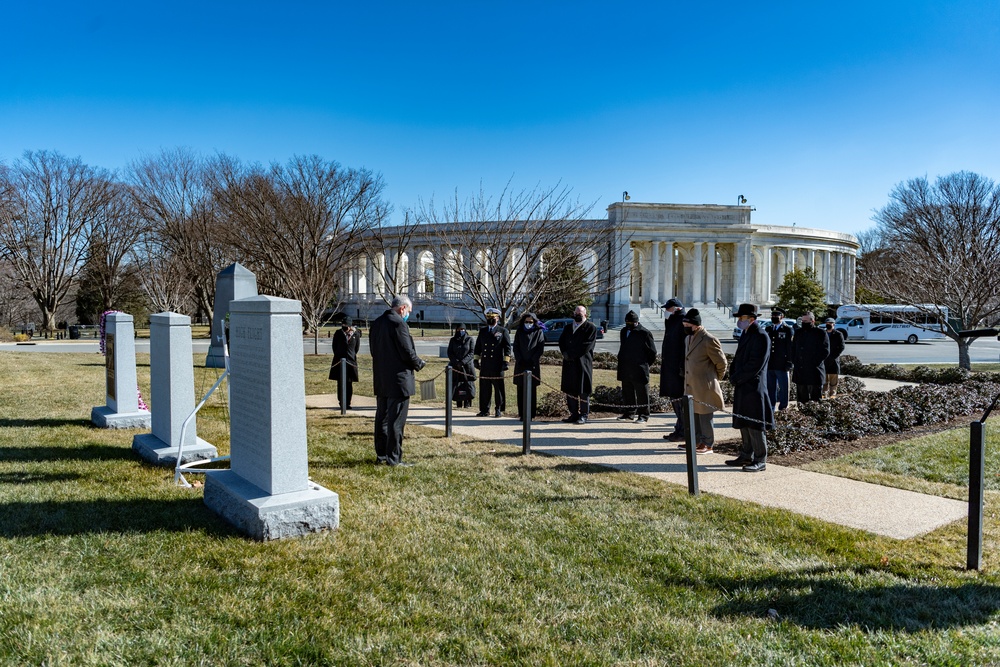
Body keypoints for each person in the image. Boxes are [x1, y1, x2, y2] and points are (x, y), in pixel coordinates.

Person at [369, 296, 426, 466]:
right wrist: (418, 363)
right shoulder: (399, 324)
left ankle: (382, 455)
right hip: (399, 380)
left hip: (381, 378)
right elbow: (406, 351)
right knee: (396, 422)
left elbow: (374, 351)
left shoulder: (377, 323)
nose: (408, 314)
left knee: (382, 419)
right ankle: (394, 458)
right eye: (408, 311)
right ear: (402, 309)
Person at [726, 304, 774, 472]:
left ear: (752, 319)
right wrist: (733, 374)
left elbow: (756, 364)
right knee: (743, 422)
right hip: (742, 384)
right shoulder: (746, 334)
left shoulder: (761, 336)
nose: (739, 321)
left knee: (754, 424)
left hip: (753, 387)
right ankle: (746, 454)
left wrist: (738, 377)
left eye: (742, 318)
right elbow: (739, 358)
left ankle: (760, 459)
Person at [681, 308, 727, 453]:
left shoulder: (709, 339)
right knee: (693, 414)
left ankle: (707, 443)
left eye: (687, 325)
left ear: (696, 325)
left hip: (705, 385)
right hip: (691, 384)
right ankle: (694, 441)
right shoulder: (687, 338)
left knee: (705, 415)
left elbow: (721, 363)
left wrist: (714, 378)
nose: (685, 328)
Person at [559, 304, 598, 424]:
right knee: (570, 389)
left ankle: (584, 415)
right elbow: (562, 341)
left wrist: (571, 354)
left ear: (585, 314)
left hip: (583, 364)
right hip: (569, 364)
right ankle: (573, 413)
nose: (577, 316)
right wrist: (564, 353)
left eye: (579, 314)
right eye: (575, 314)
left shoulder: (590, 328)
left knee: (583, 390)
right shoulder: (568, 328)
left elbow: (586, 346)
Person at [616, 310, 657, 423]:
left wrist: (645, 364)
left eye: (631, 323)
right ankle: (629, 413)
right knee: (627, 392)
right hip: (626, 367)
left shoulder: (645, 333)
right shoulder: (624, 331)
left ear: (636, 322)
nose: (628, 325)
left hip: (639, 368)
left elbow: (652, 352)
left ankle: (643, 415)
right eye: (627, 322)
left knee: (642, 393)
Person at [474, 307, 511, 417]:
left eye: (493, 318)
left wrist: (506, 362)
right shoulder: (483, 331)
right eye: (488, 317)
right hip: (485, 364)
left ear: (498, 318)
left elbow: (507, 348)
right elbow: (478, 347)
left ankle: (499, 408)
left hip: (497, 364)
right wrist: (476, 360)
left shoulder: (502, 331)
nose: (491, 319)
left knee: (498, 388)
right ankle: (484, 409)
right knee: (485, 388)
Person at [659, 298, 687, 441]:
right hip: (670, 367)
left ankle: (683, 431)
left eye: (668, 309)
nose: (666, 311)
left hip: (678, 369)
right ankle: (679, 428)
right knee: (675, 400)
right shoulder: (672, 321)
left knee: (679, 400)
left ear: (676, 308)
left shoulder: (683, 321)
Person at [791, 311, 830, 404]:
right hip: (800, 371)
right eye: (802, 321)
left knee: (815, 399)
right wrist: (795, 361)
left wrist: (814, 362)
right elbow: (793, 349)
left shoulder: (820, 333)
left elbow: (825, 351)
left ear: (812, 321)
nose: (804, 323)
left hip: (814, 370)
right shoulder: (798, 332)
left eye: (806, 321)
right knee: (801, 399)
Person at [512, 312, 545, 420]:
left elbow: (540, 347)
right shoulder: (519, 331)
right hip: (520, 365)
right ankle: (522, 413)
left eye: (530, 322)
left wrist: (532, 360)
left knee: (532, 391)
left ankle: (531, 414)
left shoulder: (538, 331)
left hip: (533, 365)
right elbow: (515, 346)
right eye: (526, 322)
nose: (528, 324)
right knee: (520, 390)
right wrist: (520, 359)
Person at [329, 316, 361, 410]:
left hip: (350, 362)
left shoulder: (356, 334)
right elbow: (334, 346)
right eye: (343, 325)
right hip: (339, 360)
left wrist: (351, 355)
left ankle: (348, 402)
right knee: (340, 383)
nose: (345, 328)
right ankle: (341, 402)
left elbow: (356, 348)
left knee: (349, 383)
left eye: (346, 326)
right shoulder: (338, 333)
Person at [765, 308, 795, 411]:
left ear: (782, 317)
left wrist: (790, 362)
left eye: (776, 316)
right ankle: (771, 406)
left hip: (782, 364)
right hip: (770, 364)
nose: (774, 317)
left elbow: (790, 347)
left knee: (783, 388)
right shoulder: (768, 329)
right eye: (772, 316)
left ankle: (783, 407)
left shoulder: (787, 329)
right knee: (770, 388)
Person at [447, 322, 476, 409]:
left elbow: (471, 353)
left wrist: (463, 362)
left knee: (467, 383)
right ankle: (458, 402)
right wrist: (456, 362)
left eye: (463, 329)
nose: (461, 331)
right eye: (459, 329)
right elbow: (450, 352)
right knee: (457, 384)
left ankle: (467, 402)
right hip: (456, 367)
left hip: (467, 367)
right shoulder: (453, 340)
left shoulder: (470, 339)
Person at [824, 317, 846, 398]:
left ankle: (832, 394)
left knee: (833, 379)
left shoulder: (838, 334)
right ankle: (824, 393)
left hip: (834, 359)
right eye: (827, 323)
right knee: (824, 379)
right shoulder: (823, 333)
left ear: (834, 324)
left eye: (830, 323)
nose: (828, 325)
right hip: (824, 360)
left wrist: (834, 356)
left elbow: (842, 347)